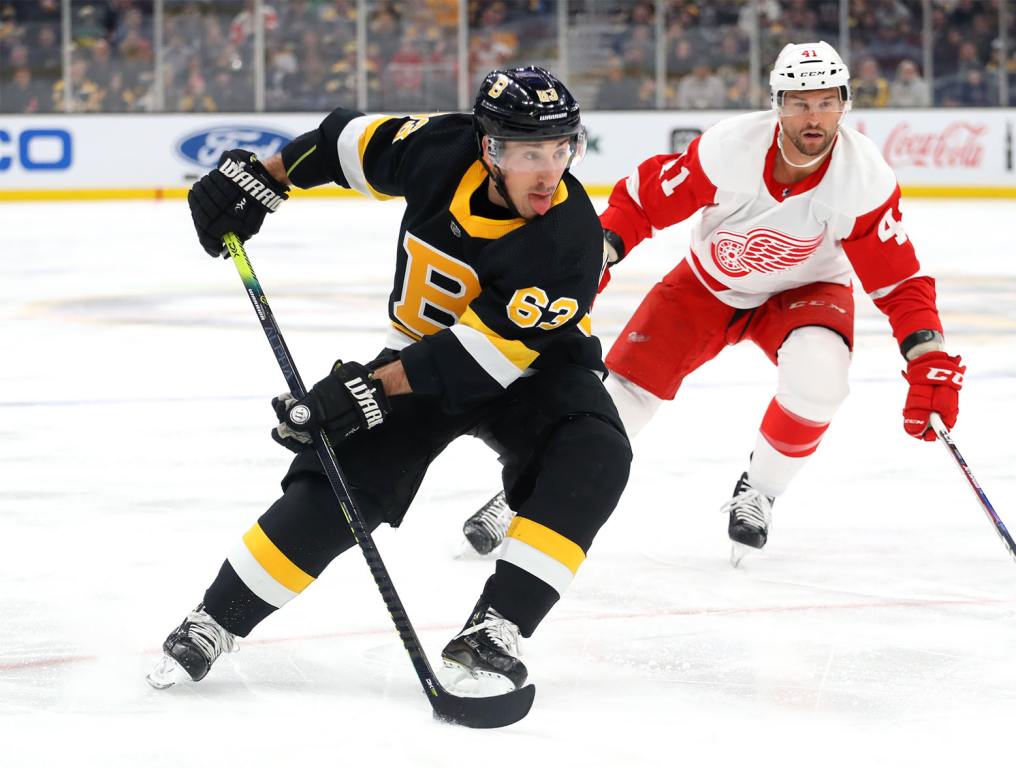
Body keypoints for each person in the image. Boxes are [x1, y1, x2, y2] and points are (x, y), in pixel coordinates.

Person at [147, 66, 632, 695]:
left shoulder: (570, 240)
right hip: (418, 351)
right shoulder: (440, 148)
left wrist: (368, 390)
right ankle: (215, 619)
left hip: (533, 367)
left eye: (562, 148)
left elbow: (475, 362)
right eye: (528, 151)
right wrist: (262, 178)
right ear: (488, 148)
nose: (549, 171)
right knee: (345, 477)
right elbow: (342, 142)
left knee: (596, 451)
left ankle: (496, 626)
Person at [462, 42, 964, 567]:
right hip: (706, 286)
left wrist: (928, 354)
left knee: (821, 381)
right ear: (776, 103)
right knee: (622, 398)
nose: (812, 116)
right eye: (798, 102)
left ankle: (761, 490)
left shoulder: (865, 179)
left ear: (845, 104)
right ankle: (523, 496)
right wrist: (596, 257)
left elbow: (900, 281)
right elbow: (644, 200)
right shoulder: (731, 148)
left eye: (825, 101)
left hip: (808, 291)